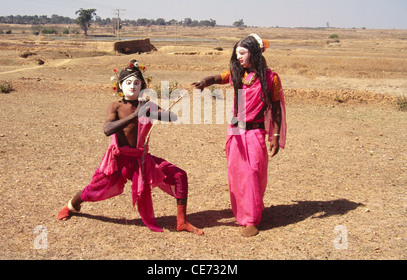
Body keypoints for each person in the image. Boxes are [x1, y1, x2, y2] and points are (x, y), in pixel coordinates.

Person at [58, 60, 203, 235]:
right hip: (118, 160)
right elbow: (107, 129)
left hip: (141, 159)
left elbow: (171, 117)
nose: (132, 86)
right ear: (119, 86)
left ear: (143, 85)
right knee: (95, 189)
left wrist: (156, 112)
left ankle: (181, 222)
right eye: (128, 83)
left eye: (136, 83)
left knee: (179, 176)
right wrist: (135, 115)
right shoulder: (116, 106)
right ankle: (72, 205)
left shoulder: (147, 105)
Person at [191, 34, 286, 237]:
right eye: (237, 54)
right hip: (235, 131)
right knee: (237, 175)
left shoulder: (271, 78)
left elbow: (276, 110)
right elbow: (218, 78)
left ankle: (252, 218)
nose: (239, 57)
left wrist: (275, 136)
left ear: (255, 53)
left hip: (256, 131)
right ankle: (245, 215)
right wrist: (204, 82)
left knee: (253, 173)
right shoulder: (236, 74)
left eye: (242, 53)